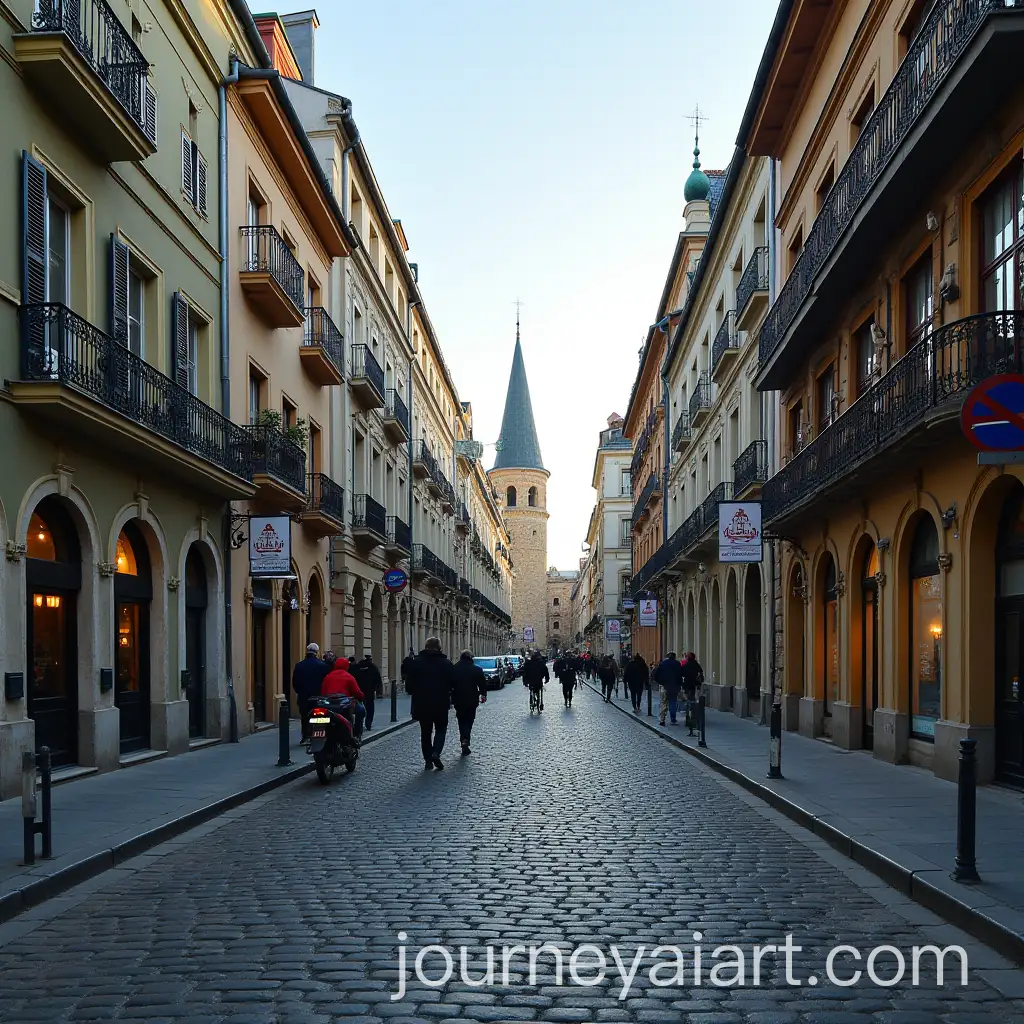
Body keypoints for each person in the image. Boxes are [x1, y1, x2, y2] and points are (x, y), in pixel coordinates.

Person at [406, 637, 456, 770]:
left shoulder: (416, 663)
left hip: (422, 704)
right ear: (439, 647)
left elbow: (409, 687)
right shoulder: (446, 663)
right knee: (441, 729)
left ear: (426, 646)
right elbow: (453, 684)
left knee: (425, 732)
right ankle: (436, 753)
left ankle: (428, 760)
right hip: (440, 703)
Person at [452, 649, 487, 755]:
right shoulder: (476, 669)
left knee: (461, 719)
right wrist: (483, 695)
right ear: (471, 658)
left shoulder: (454, 669)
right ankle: (466, 738)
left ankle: (464, 738)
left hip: (458, 699)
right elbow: (482, 684)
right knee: (470, 719)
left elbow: (450, 684)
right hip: (472, 699)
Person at [320, 656, 366, 737]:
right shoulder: (349, 677)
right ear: (346, 666)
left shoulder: (328, 677)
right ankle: (356, 733)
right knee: (361, 711)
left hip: (329, 705)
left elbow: (323, 692)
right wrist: (361, 697)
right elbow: (357, 692)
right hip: (343, 706)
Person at [292, 643, 329, 741]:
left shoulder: (299, 666)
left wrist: (300, 692)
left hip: (303, 697)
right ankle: (317, 736)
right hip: (318, 697)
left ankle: (306, 736)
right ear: (316, 652)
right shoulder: (323, 666)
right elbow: (326, 682)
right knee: (318, 717)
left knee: (305, 717)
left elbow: (295, 683)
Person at [654, 651, 685, 726]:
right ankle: (673, 718)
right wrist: (679, 684)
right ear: (674, 657)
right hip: (675, 686)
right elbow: (681, 675)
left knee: (663, 703)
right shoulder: (677, 664)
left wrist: (661, 682)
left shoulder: (662, 664)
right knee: (673, 702)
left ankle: (662, 720)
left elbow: (655, 675)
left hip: (665, 686)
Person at [355, 654, 383, 730]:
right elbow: (378, 679)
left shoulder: (358, 667)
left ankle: (359, 724)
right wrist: (378, 691)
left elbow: (354, 677)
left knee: (358, 708)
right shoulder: (373, 667)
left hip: (359, 690)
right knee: (370, 708)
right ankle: (368, 723)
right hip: (369, 691)